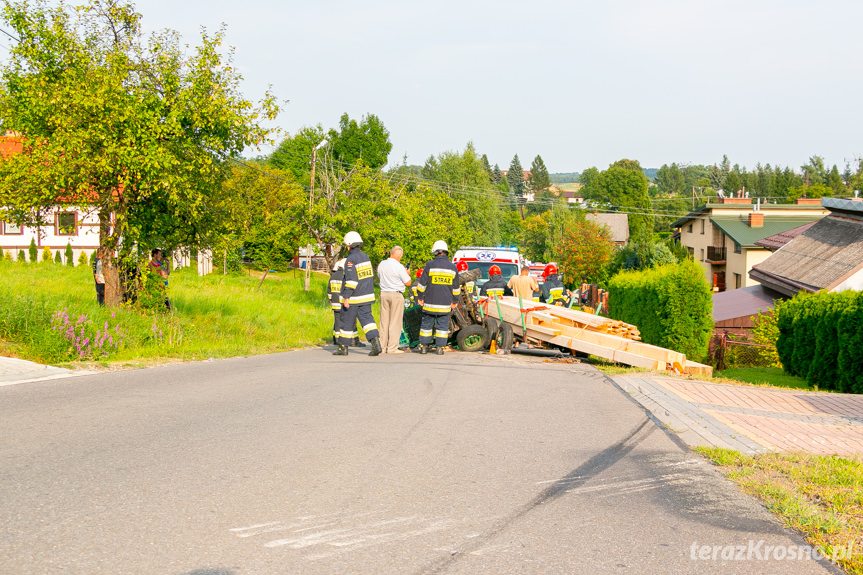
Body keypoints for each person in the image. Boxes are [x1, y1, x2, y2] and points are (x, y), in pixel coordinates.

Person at [333, 231, 382, 357]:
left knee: (346, 321)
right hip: (367, 295)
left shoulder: (350, 260)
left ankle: (343, 347)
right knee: (367, 321)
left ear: (349, 245)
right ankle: (375, 343)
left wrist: (347, 297)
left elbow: (351, 280)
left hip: (355, 296)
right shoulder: (365, 257)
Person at [416, 240, 459, 355]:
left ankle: (424, 347)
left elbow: (422, 284)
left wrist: (420, 297)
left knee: (426, 326)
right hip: (445, 304)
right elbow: (456, 288)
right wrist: (454, 301)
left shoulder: (430, 265)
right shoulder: (452, 267)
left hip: (430, 302)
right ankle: (440, 347)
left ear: (435, 252)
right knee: (442, 326)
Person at [377, 246, 412, 354]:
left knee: (384, 321)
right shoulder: (399, 266)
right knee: (395, 322)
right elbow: (408, 282)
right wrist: (407, 274)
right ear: (399, 255)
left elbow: (379, 276)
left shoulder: (381, 264)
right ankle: (392, 347)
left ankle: (382, 346)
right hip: (396, 294)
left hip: (384, 293)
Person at [328, 259, 367, 348]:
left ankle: (337, 339)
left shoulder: (333, 276)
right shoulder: (346, 276)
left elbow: (329, 290)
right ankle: (354, 341)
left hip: (335, 303)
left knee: (337, 321)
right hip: (344, 302)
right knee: (351, 321)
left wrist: (331, 300)